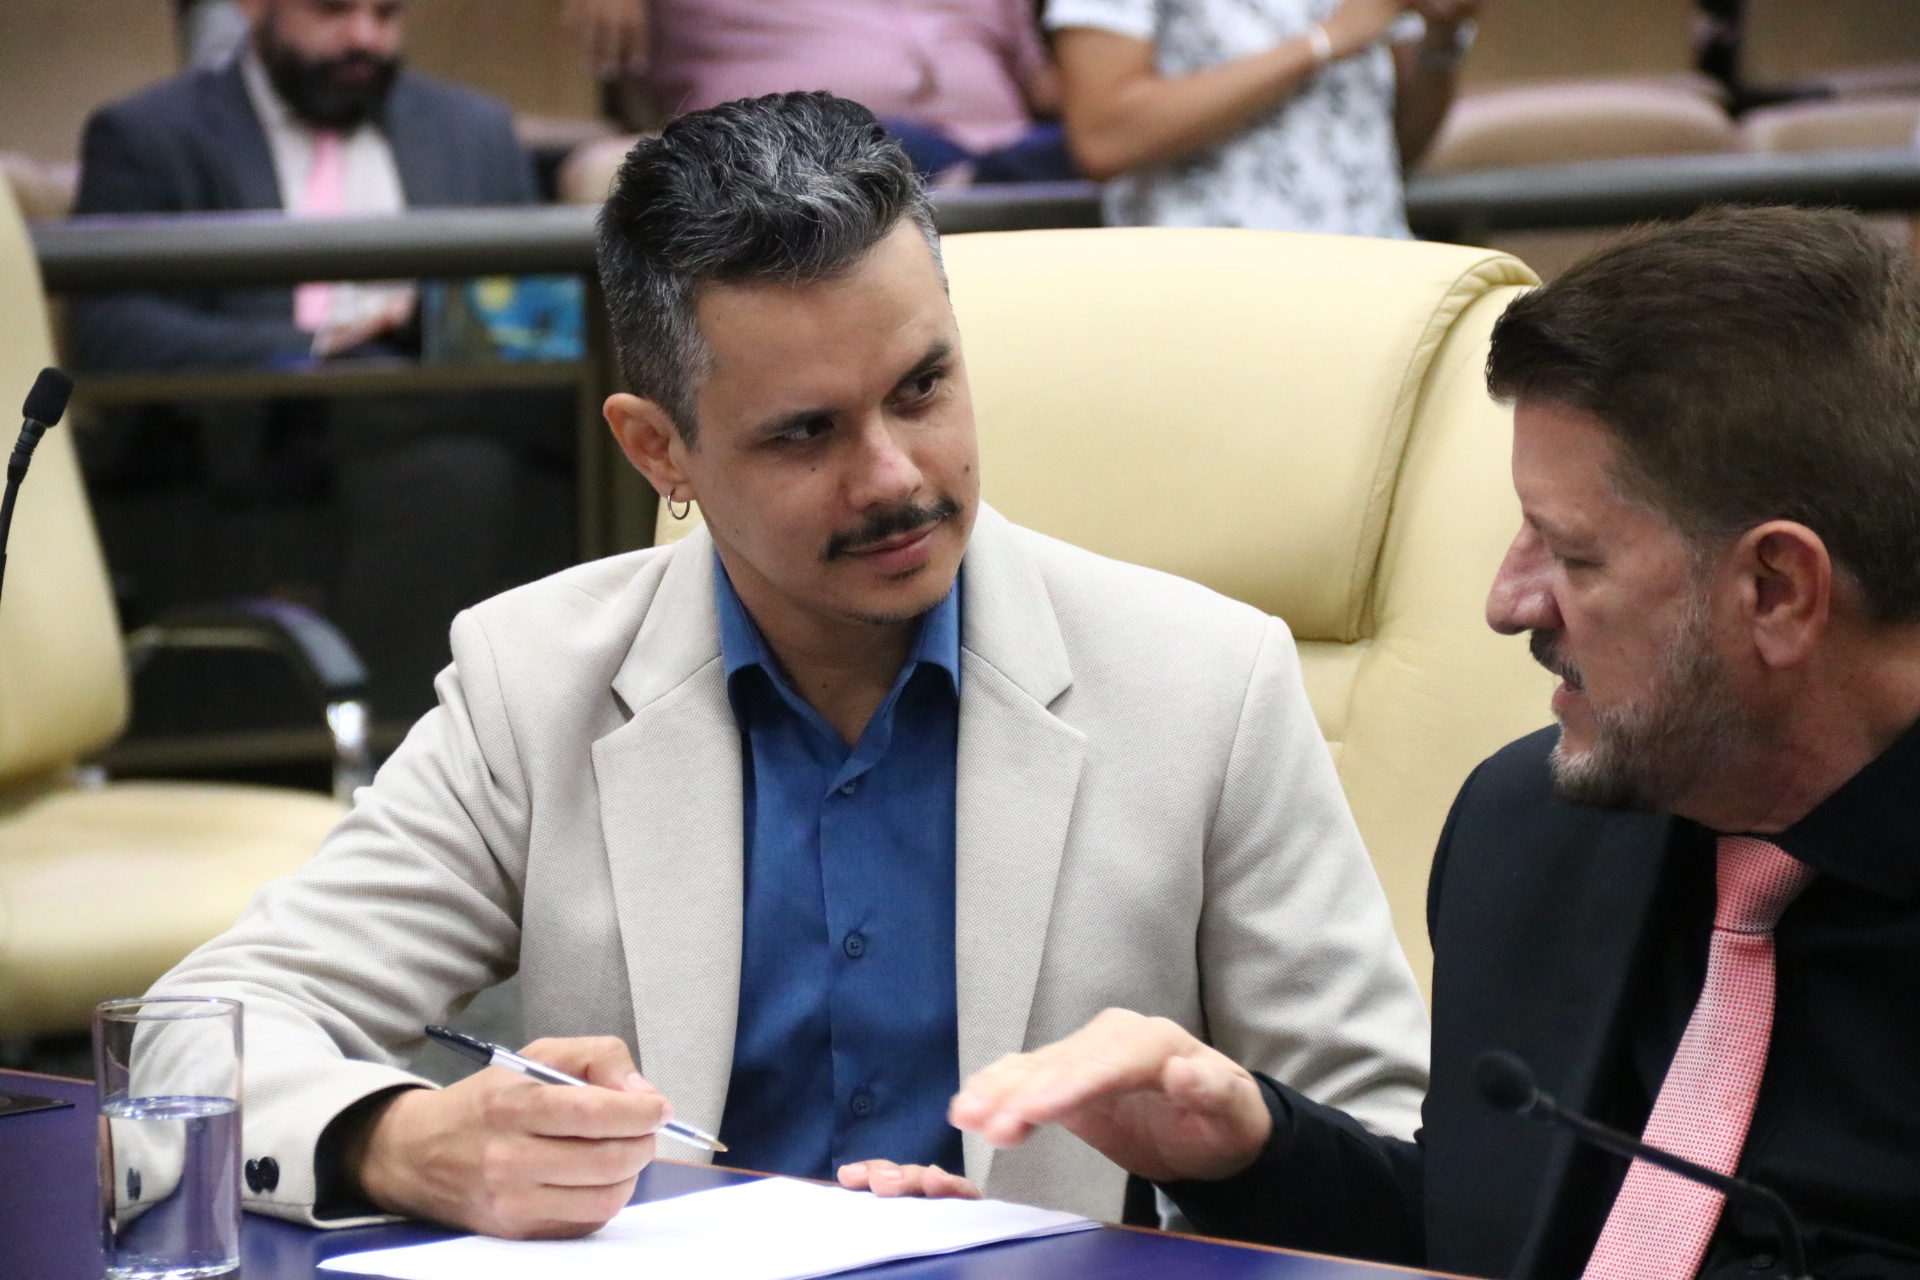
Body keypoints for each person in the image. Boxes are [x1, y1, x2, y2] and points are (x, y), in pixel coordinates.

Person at [148, 90, 1429, 1239]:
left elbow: (1414, 1170)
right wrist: (403, 1138)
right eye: (807, 433)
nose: (895, 476)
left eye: (922, 387)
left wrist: (1222, 1161)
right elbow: (200, 1033)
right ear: (659, 450)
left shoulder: (1209, 684)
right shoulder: (533, 683)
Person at [846, 206, 1920, 1278]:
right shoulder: (1533, 833)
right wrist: (1248, 1152)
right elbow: (1475, 1243)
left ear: (1776, 590)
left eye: (1572, 554)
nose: (1507, 602)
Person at [70, 0, 572, 722]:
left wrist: (417, 332)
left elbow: (536, 320)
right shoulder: (149, 134)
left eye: (386, 13)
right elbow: (111, 332)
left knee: (475, 457)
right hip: (251, 441)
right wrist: (318, 349)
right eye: (333, 9)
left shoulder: (474, 131)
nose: (364, 37)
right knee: (438, 457)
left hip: (445, 418)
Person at [1044, 0, 1481, 234]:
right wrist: (1325, 42)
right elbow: (1103, 136)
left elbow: (1399, 148)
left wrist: (1441, 38)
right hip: (1214, 291)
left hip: (1376, 282)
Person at [560, 0, 1074, 183]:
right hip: (800, 155)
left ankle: (972, 179)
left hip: (1009, 154)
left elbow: (1042, 84)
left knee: (1096, 153)